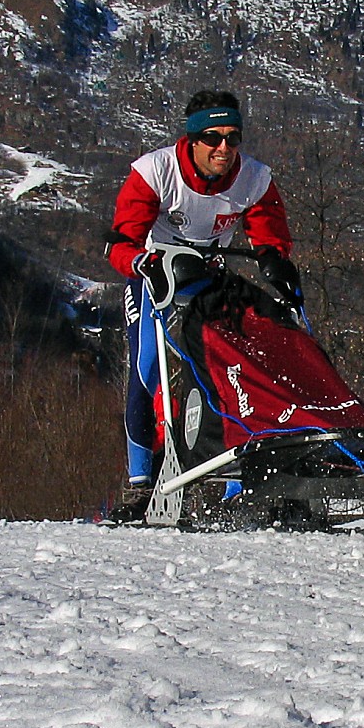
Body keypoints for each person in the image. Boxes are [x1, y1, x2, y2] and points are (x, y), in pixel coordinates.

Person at [106, 90, 297, 489]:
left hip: (208, 277)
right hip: (153, 277)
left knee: (234, 365)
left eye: (232, 137)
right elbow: (122, 242)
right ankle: (138, 483)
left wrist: (276, 264)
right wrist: (140, 262)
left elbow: (270, 238)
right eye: (212, 138)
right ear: (192, 140)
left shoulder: (254, 178)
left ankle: (235, 478)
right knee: (146, 368)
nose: (223, 148)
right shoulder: (155, 171)